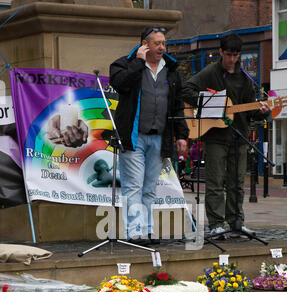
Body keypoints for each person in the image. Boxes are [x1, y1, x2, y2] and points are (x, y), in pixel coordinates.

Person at [182, 33, 270, 239]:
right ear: (221, 52)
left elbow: (250, 110)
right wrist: (210, 103)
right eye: (229, 55)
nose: (232, 59)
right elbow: (186, 89)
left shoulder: (245, 78)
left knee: (237, 182)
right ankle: (216, 224)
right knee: (214, 181)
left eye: (236, 55)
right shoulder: (210, 72)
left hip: (239, 136)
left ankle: (236, 222)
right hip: (215, 136)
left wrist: (262, 111)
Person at [109, 26, 189, 246]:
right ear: (145, 44)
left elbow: (177, 106)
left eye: (163, 43)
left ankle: (147, 231)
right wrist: (138, 62)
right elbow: (120, 84)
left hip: (159, 137)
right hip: (134, 136)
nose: (162, 47)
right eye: (157, 43)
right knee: (133, 185)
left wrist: (181, 134)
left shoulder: (171, 71)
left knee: (150, 188)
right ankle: (134, 232)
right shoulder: (123, 64)